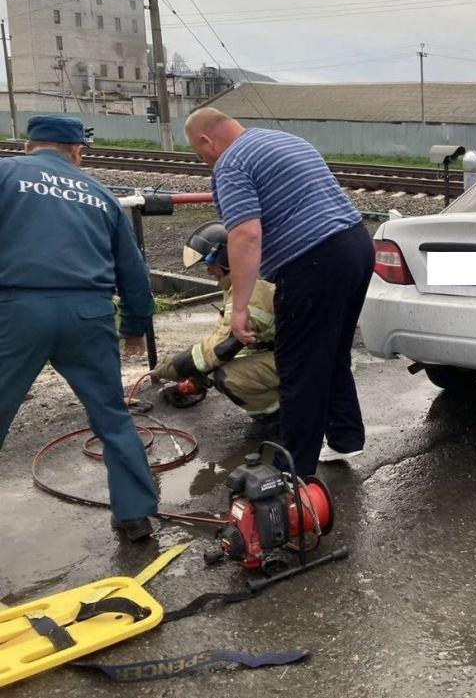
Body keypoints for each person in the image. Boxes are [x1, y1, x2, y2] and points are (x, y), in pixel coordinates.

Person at [184, 108, 375, 476]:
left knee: (299, 367)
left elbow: (245, 234)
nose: (203, 160)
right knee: (332, 352)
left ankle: (295, 473)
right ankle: (346, 437)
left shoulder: (230, 163)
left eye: (199, 152)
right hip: (355, 246)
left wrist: (239, 308)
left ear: (207, 140)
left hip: (313, 263)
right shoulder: (284, 139)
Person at [0, 115, 157, 541]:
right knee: (111, 416)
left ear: (29, 146)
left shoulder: (6, 172)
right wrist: (135, 327)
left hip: (18, 309)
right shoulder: (100, 194)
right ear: (76, 151)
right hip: (89, 313)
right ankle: (135, 515)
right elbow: (134, 272)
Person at [151, 221, 280, 440]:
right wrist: (197, 380)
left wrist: (174, 367)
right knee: (229, 361)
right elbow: (237, 343)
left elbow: (221, 348)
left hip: (305, 360)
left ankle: (278, 418)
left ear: (226, 257)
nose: (208, 269)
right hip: (288, 351)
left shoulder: (253, 288)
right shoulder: (248, 277)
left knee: (229, 377)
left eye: (209, 262)